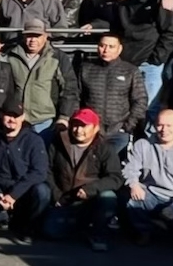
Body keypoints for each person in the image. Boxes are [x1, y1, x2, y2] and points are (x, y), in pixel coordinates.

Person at [44, 107, 123, 252]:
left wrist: (90, 189)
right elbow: (47, 170)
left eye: (84, 126)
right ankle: (79, 225)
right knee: (52, 231)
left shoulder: (105, 148)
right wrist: (56, 195)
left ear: (95, 128)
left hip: (90, 200)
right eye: (76, 125)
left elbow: (115, 178)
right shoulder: (58, 142)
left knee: (108, 197)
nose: (78, 130)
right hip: (64, 200)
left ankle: (98, 233)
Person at [123, 109, 173, 244]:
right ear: (155, 126)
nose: (163, 130)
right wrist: (134, 184)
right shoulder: (143, 145)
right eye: (160, 125)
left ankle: (172, 229)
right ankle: (144, 230)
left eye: (169, 126)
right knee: (129, 200)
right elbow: (130, 167)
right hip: (150, 194)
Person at [0, 98, 51, 242]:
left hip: (24, 189)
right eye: (8, 115)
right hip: (0, 188)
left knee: (43, 191)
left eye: (16, 116)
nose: (12, 119)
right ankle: (5, 216)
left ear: (23, 117)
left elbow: (39, 172)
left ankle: (28, 226)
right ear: (1, 115)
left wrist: (14, 195)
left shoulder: (34, 140)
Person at [4, 19, 79, 142]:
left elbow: (69, 88)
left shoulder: (57, 57)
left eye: (37, 36)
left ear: (45, 37)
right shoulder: (11, 56)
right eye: (29, 36)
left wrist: (64, 117)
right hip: (17, 120)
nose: (33, 40)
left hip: (46, 121)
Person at [76, 32, 147, 156]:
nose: (106, 50)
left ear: (119, 49)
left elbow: (140, 100)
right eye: (102, 45)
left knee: (113, 169)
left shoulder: (130, 71)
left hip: (119, 132)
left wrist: (128, 126)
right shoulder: (85, 69)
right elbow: (75, 96)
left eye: (111, 46)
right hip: (91, 132)